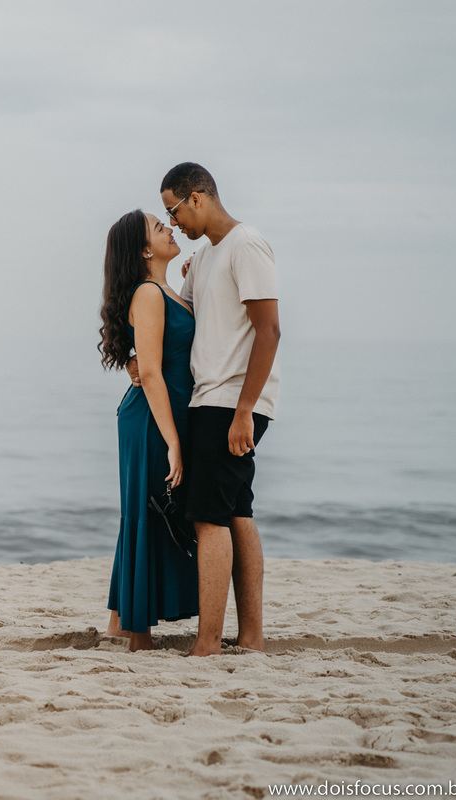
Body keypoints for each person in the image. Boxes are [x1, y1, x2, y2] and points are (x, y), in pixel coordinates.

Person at [157, 162, 281, 656]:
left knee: (208, 518)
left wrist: (245, 410)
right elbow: (187, 320)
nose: (174, 224)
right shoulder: (207, 255)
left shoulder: (246, 244)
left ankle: (207, 643)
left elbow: (268, 331)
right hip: (210, 397)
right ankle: (250, 637)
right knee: (235, 512)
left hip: (230, 401)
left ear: (197, 197)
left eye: (174, 210)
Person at [98, 209, 199, 652]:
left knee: (145, 512)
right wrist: (175, 441)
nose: (171, 228)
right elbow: (153, 373)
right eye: (161, 228)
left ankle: (121, 623)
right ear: (144, 250)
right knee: (146, 512)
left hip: (162, 414)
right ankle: (138, 637)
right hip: (153, 420)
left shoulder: (165, 290)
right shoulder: (148, 293)